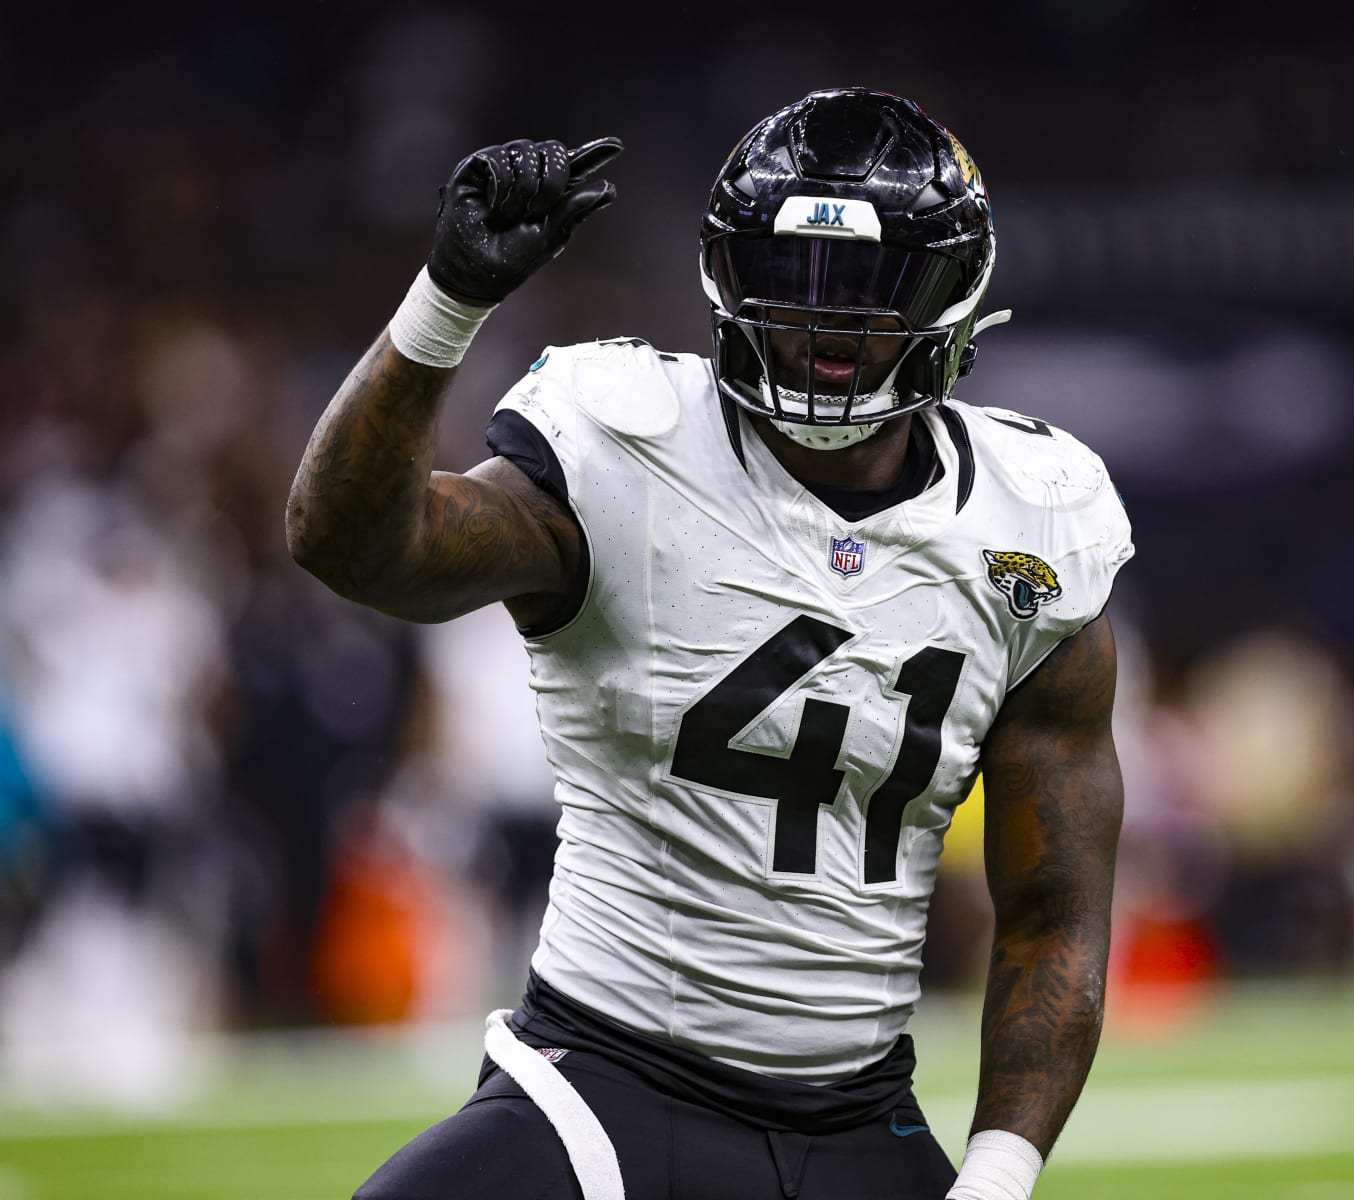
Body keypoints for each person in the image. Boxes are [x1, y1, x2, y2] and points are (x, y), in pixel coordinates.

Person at [287, 87, 1133, 1200]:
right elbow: (353, 545)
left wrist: (995, 1179)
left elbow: (1054, 914)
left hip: (859, 1123)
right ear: (733, 283)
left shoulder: (1033, 523)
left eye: (873, 293)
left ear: (953, 301)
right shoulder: (625, 444)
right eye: (794, 283)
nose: (827, 325)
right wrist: (449, 299)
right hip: (604, 1084)